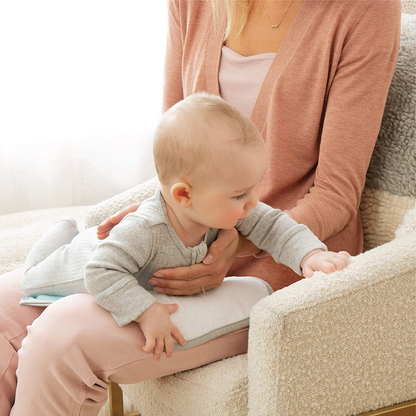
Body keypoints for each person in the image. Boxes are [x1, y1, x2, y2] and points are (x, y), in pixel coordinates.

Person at [0, 1, 401, 415]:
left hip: (276, 271)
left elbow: (336, 194)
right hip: (175, 246)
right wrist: (157, 215)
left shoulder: (364, 9)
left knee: (61, 339)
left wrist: (239, 242)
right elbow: (175, 152)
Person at [20, 92, 350, 361]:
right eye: (239, 195)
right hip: (76, 266)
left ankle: (69, 232)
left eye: (254, 188)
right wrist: (146, 311)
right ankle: (63, 231)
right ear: (184, 195)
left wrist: (310, 255)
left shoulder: (217, 208)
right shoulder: (145, 229)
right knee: (30, 276)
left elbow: (275, 225)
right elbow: (99, 273)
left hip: (112, 253)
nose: (253, 202)